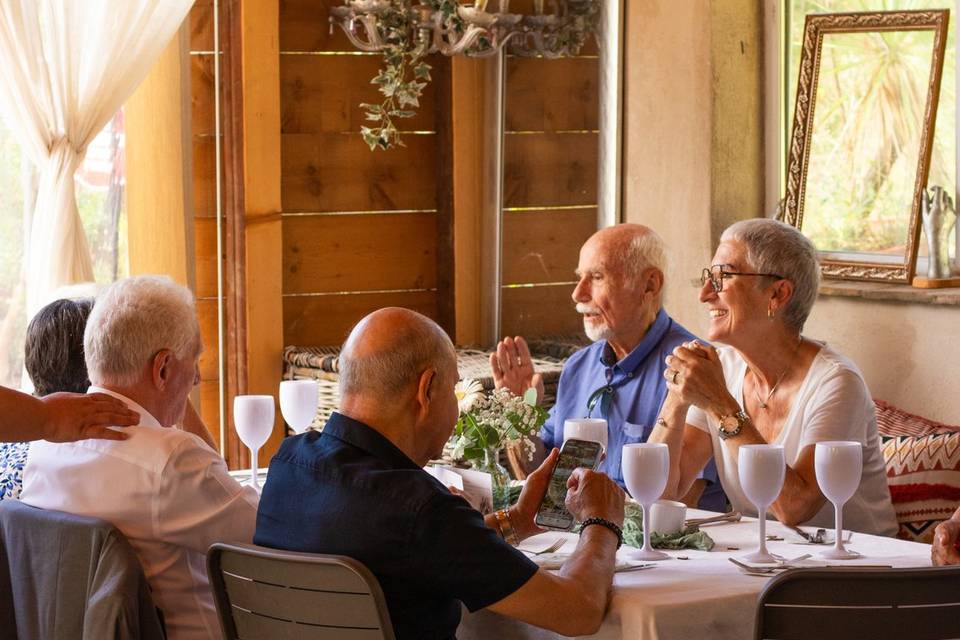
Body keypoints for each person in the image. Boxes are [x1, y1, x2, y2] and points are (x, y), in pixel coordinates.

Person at [255, 308, 626, 640]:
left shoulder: (288, 465)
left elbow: (413, 554)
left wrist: (516, 520)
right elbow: (579, 611)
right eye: (452, 388)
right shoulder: (418, 508)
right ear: (427, 389)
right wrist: (601, 521)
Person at [21, 276, 259, 640]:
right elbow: (270, 534)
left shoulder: (44, 450)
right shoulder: (170, 461)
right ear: (162, 369)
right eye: (194, 361)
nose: (195, 378)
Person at [649, 218, 897, 536]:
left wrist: (721, 405)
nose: (706, 294)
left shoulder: (837, 382)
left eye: (723, 276)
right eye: (708, 277)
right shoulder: (722, 370)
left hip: (858, 569)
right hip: (769, 564)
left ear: (778, 294)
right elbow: (657, 493)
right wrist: (678, 394)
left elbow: (795, 507)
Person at [491, 224, 724, 509]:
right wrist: (520, 418)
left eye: (597, 277)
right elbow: (538, 477)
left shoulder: (695, 368)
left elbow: (678, 506)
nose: (578, 294)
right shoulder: (579, 367)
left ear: (650, 285)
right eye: (579, 278)